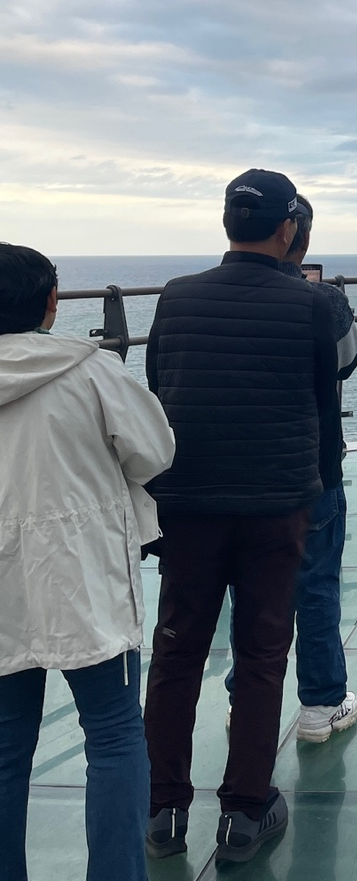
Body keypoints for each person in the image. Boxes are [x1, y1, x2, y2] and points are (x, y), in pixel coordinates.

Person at [142, 169, 339, 865]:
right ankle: (244, 816)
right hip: (275, 507)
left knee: (176, 651)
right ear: (288, 229)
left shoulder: (176, 296)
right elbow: (325, 401)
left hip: (188, 504)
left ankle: (162, 811)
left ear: (227, 223)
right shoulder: (311, 304)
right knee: (260, 655)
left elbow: (159, 389)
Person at [0, 243, 175, 881]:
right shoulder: (92, 371)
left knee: (5, 748)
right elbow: (154, 452)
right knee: (114, 733)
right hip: (84, 576)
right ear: (51, 301)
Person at [224, 194, 357, 744]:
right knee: (317, 586)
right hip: (311, 469)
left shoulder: (195, 295)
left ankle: (244, 697)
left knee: (248, 590)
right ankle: (321, 705)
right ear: (296, 236)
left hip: (233, 474)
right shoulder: (322, 300)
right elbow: (347, 361)